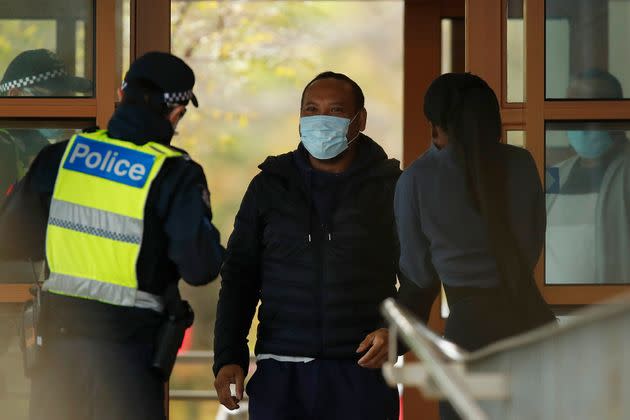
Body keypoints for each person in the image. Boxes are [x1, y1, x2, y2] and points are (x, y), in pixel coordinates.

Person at [0, 51, 225, 420]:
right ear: (176, 111)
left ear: (122, 95)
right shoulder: (174, 174)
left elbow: (11, 238)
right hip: (129, 357)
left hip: (56, 350)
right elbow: (200, 267)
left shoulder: (60, 158)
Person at [213, 71, 430, 420]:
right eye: (311, 110)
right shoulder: (269, 186)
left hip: (360, 374)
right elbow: (239, 276)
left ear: (359, 120)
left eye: (335, 111)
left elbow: (420, 276)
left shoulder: (392, 189)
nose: (320, 120)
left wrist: (397, 335)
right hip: (280, 375)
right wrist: (228, 356)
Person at [394, 73, 552, 419]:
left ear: (435, 124)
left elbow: (418, 272)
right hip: (530, 319)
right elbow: (531, 242)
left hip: (468, 332)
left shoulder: (416, 179)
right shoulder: (521, 163)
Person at [546, 69, 630, 284]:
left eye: (589, 106)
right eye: (571, 108)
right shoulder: (555, 174)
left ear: (618, 112)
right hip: (557, 313)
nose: (580, 118)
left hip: (617, 312)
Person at [0, 49, 93, 205]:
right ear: (15, 95)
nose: (63, 109)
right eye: (53, 98)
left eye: (67, 98)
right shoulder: (4, 146)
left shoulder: (34, 145)